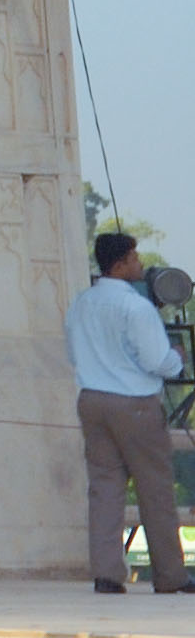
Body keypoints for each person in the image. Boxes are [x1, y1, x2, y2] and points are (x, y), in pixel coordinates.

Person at [67, 230, 189, 595]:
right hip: (134, 404)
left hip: (92, 400)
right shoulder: (136, 307)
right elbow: (156, 360)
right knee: (155, 489)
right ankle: (170, 575)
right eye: (135, 258)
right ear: (120, 265)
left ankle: (106, 573)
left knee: (105, 488)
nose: (140, 265)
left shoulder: (81, 303)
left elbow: (73, 353)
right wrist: (177, 361)